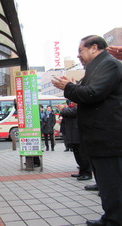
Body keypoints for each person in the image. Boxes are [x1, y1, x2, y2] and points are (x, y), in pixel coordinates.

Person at [52, 35, 122, 226]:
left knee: (112, 184)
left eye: (80, 51)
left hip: (109, 138)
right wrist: (71, 86)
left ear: (94, 48)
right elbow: (85, 92)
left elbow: (92, 94)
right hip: (100, 138)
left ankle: (114, 220)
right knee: (107, 184)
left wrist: (68, 87)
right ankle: (111, 217)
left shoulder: (109, 65)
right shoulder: (97, 67)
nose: (79, 56)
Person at [56, 102, 92, 180]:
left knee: (83, 155)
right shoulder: (72, 108)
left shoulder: (81, 106)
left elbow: (71, 112)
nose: (72, 102)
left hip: (79, 135)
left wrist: (63, 109)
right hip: (73, 135)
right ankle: (82, 171)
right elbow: (66, 114)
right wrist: (63, 109)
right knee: (78, 155)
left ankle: (87, 173)